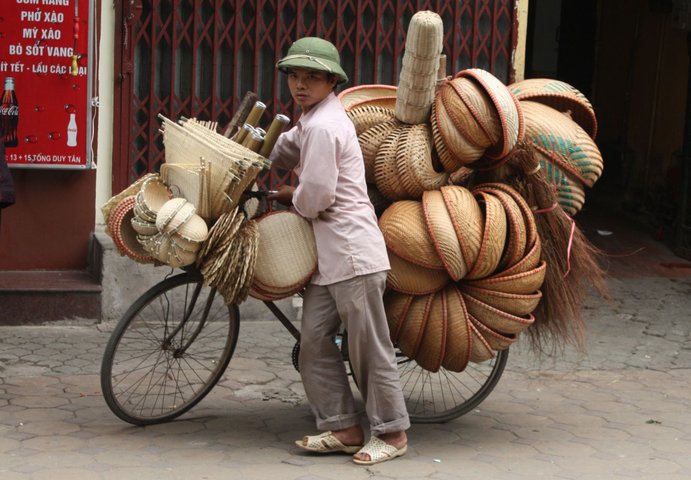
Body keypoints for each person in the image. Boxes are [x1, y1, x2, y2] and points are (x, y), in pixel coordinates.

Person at [266, 37, 410, 465]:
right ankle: (343, 427)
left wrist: (288, 194)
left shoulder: (326, 126)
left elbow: (316, 197)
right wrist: (254, 153)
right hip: (328, 260)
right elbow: (287, 144)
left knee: (368, 348)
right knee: (313, 342)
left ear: (332, 81)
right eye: (295, 75)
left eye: (312, 77)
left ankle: (392, 432)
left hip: (352, 254)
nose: (301, 84)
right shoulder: (313, 118)